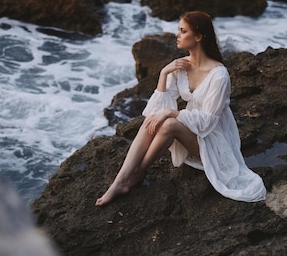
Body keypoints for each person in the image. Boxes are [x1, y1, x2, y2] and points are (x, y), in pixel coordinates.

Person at [96, 11, 266, 207]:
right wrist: (163, 74)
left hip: (214, 143)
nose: (177, 35)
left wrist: (171, 113)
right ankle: (119, 182)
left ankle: (136, 173)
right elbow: (154, 110)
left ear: (198, 37)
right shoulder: (182, 66)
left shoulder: (219, 75)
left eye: (183, 31)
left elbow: (208, 122)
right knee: (153, 120)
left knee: (169, 124)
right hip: (193, 135)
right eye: (178, 30)